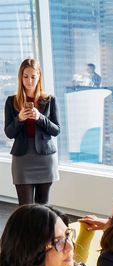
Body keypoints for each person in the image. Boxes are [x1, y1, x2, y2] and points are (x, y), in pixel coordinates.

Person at [4, 58, 60, 205]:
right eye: (26, 76)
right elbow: (9, 133)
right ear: (20, 77)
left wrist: (40, 118)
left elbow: (56, 130)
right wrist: (19, 119)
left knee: (43, 208)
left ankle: (43, 230)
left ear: (39, 77)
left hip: (45, 158)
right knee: (25, 209)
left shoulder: (49, 100)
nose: (29, 81)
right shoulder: (11, 101)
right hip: (22, 160)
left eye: (33, 77)